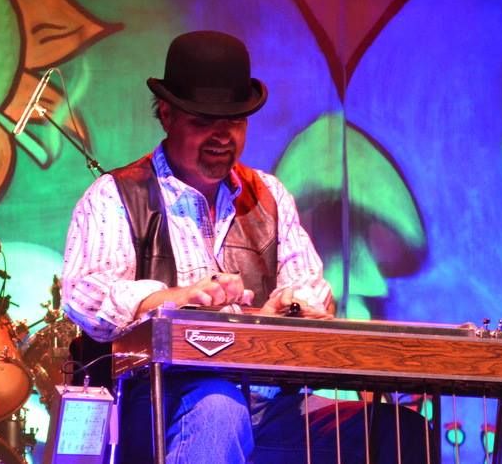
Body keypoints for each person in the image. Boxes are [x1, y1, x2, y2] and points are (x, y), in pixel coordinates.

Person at [61, 30, 429, 464]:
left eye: (234, 122)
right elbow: (85, 294)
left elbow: (311, 291)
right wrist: (177, 299)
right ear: (167, 114)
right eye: (203, 122)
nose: (222, 136)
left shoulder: (269, 196)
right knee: (221, 408)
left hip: (268, 410)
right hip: (158, 409)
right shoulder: (116, 195)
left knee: (397, 432)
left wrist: (291, 309)